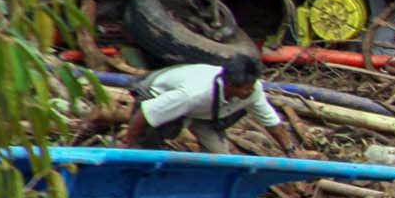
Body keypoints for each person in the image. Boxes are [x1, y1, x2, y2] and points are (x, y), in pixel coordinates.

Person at [121, 53, 302, 156]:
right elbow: (145, 112)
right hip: (158, 94)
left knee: (221, 159)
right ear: (229, 84)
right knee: (149, 147)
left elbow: (271, 121)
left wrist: (290, 149)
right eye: (244, 89)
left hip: (207, 113)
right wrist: (127, 145)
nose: (249, 92)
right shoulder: (194, 93)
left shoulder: (253, 90)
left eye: (251, 86)